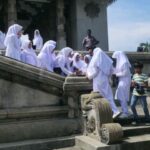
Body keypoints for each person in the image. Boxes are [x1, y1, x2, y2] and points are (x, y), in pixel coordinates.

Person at [86, 47, 120, 118]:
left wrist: (88, 75)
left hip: (98, 81)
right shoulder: (107, 60)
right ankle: (115, 111)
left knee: (100, 96)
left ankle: (107, 112)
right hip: (105, 80)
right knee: (109, 96)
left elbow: (94, 72)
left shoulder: (96, 60)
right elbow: (112, 71)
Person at [112, 51, 132, 118]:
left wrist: (115, 74)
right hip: (122, 81)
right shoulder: (122, 63)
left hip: (124, 81)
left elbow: (125, 73)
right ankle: (125, 110)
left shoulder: (124, 63)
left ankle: (125, 112)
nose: (116, 59)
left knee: (122, 96)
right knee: (121, 96)